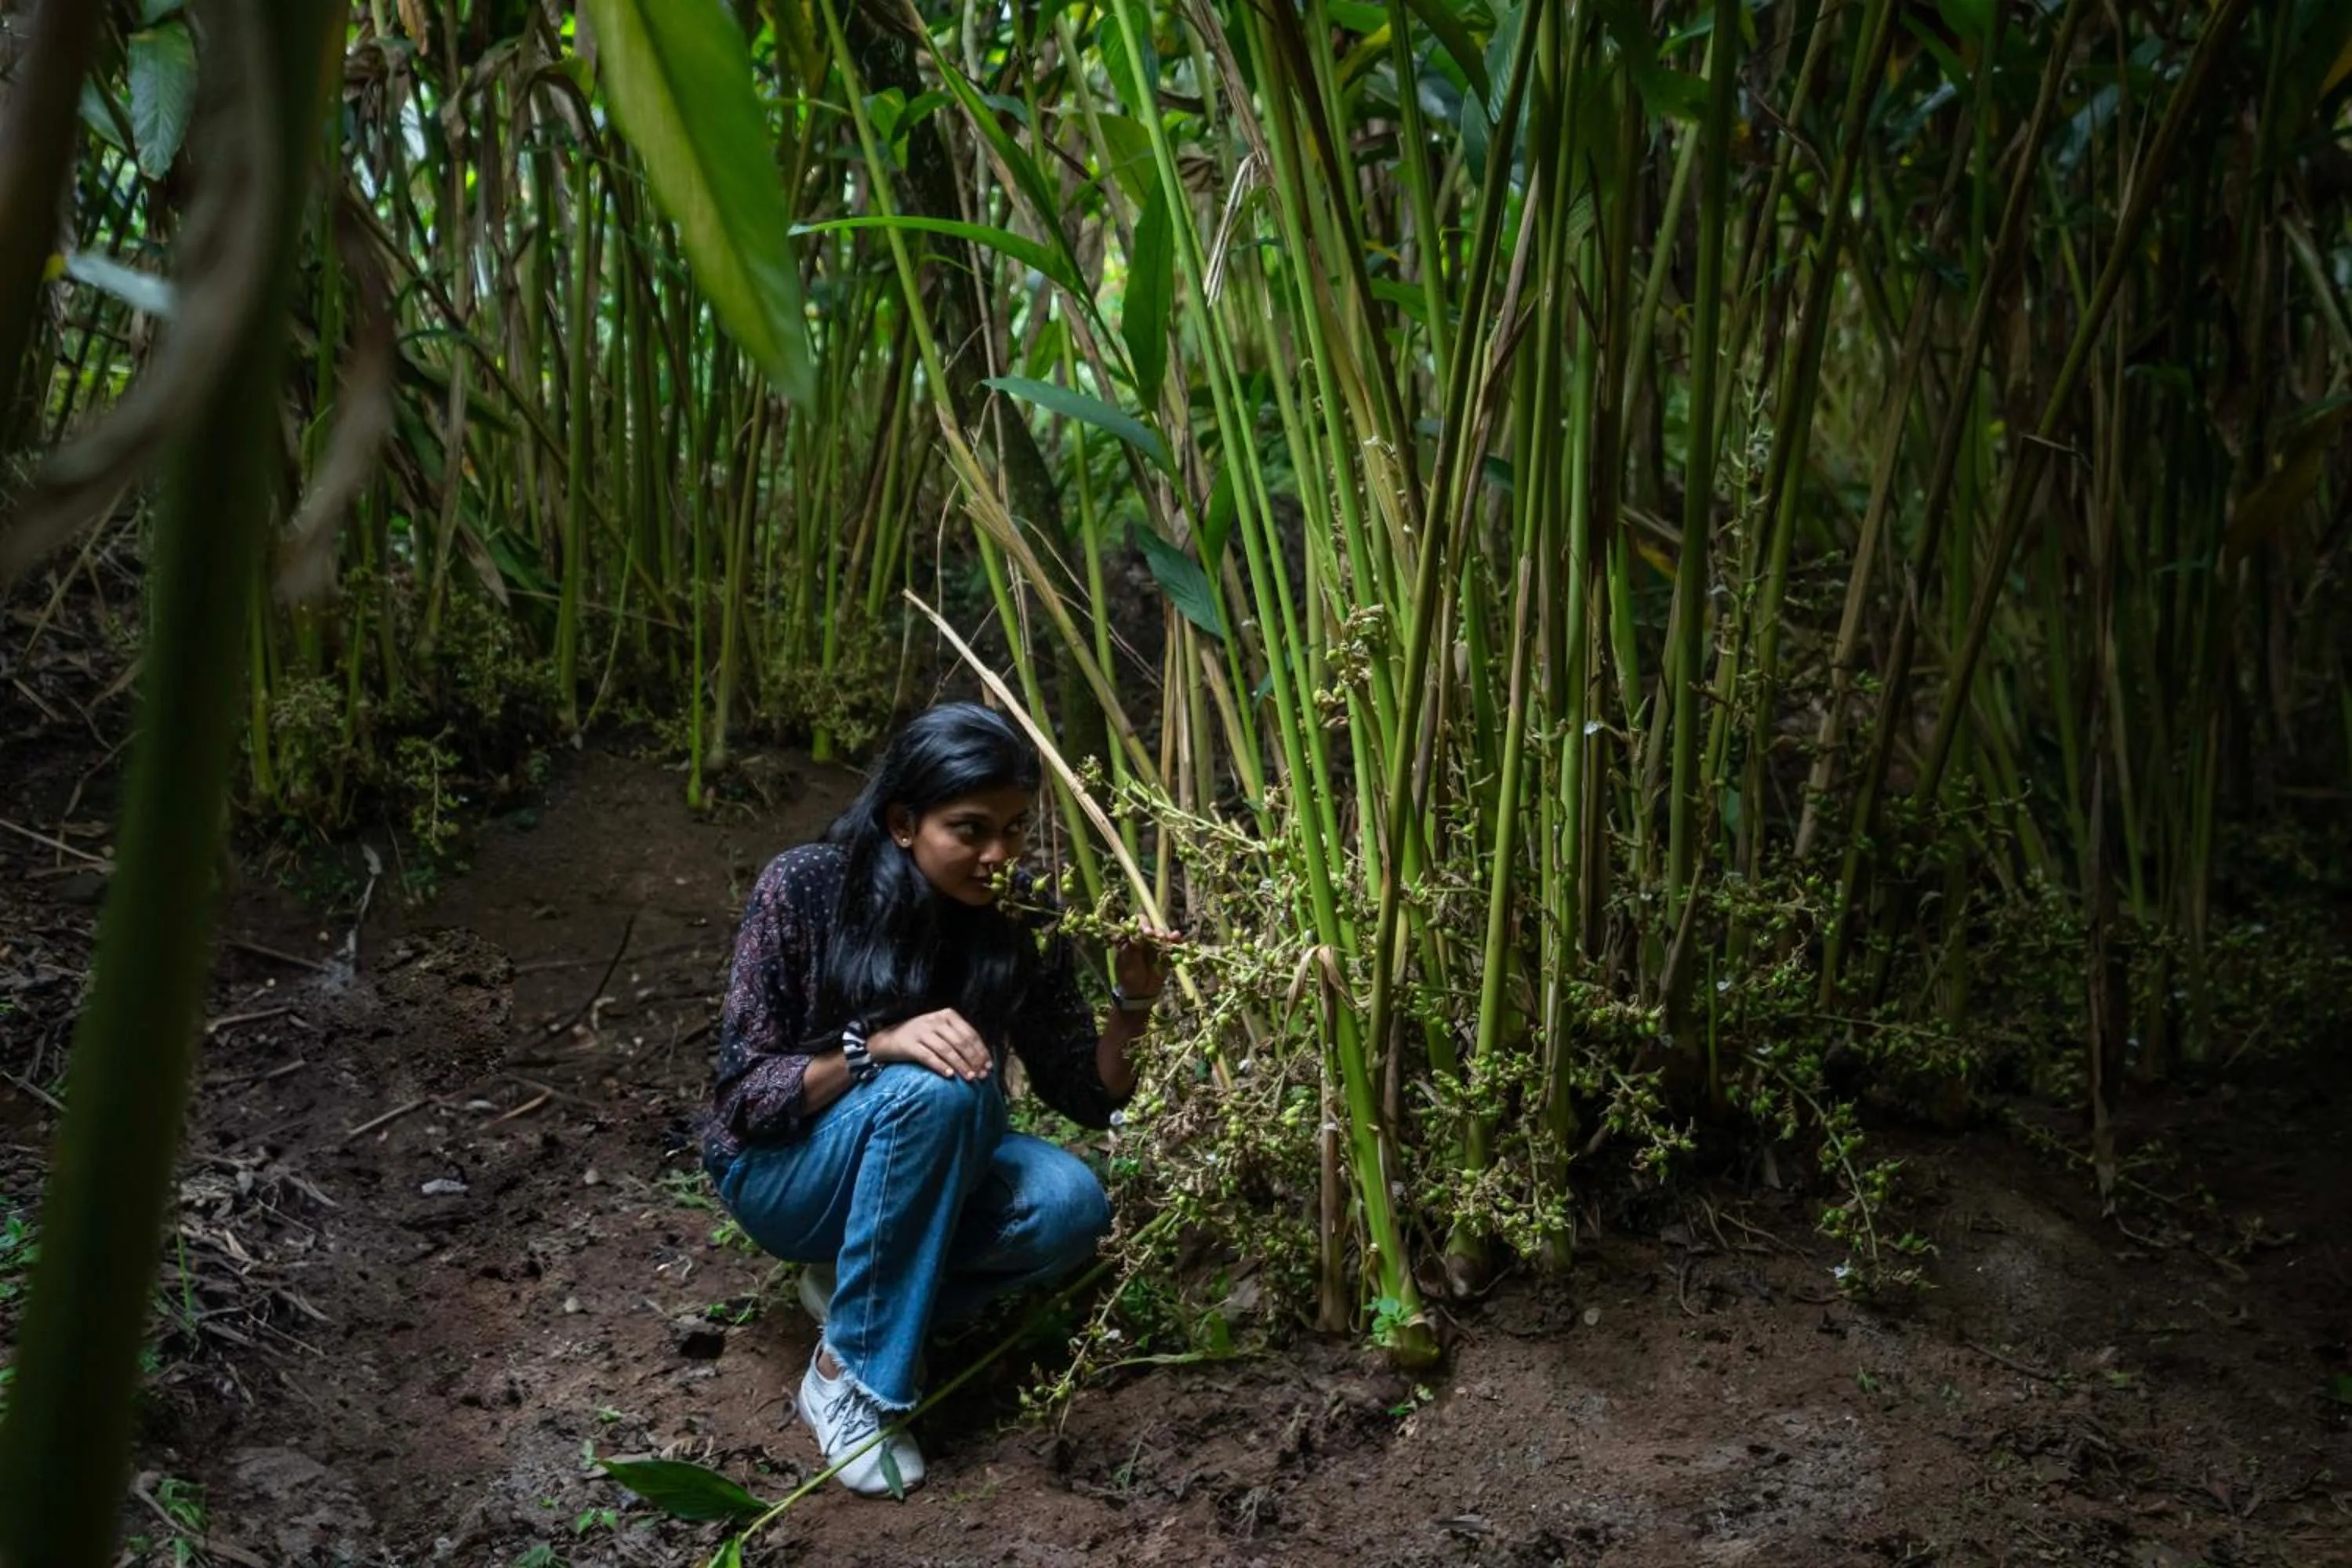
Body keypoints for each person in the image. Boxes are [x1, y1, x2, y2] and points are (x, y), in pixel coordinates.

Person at [699, 702, 1175, 1497]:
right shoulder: (805, 885)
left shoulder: (1021, 912)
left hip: (934, 1157)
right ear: (901, 822)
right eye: (970, 828)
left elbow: (1086, 1093)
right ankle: (847, 1380)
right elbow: (746, 1098)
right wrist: (875, 1047)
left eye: (1017, 828)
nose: (999, 854)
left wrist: (1132, 1004)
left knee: (1072, 1204)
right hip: (786, 1174)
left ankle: (856, 1307)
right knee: (937, 1089)